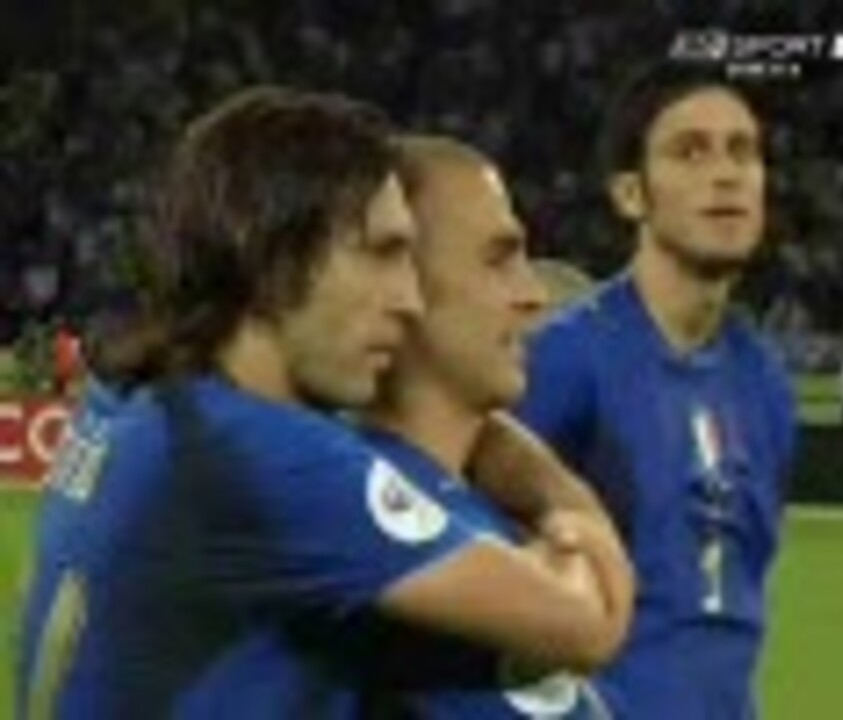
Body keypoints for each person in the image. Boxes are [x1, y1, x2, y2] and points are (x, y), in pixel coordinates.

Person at [18, 87, 628, 719]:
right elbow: (590, 623)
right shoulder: (271, 458)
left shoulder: (132, 402)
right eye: (381, 254)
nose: (407, 300)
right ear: (276, 255)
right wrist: (553, 493)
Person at [516, 61, 798, 720]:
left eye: (742, 151)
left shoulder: (766, 384)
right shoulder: (566, 362)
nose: (726, 174)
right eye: (689, 152)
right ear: (630, 194)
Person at [359, 135, 634, 717]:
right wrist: (562, 497)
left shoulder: (472, 514)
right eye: (498, 259)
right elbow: (596, 619)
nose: (534, 296)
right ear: (399, 282)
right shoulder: (362, 516)